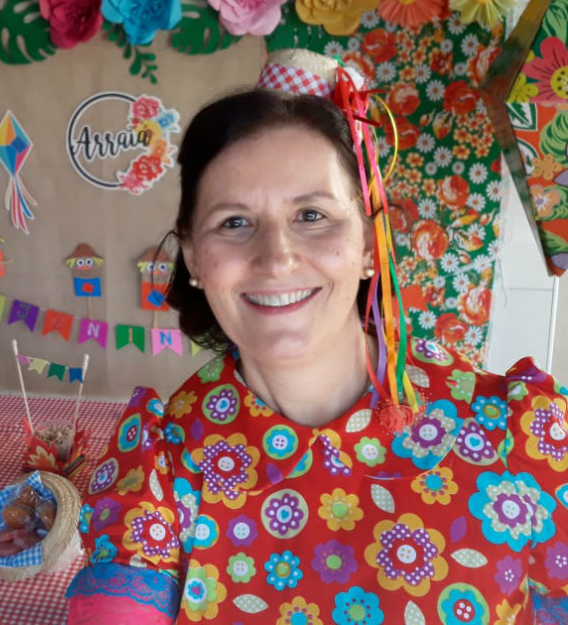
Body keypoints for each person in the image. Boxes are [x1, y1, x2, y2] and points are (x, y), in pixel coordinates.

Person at [66, 50, 568, 623]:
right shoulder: (160, 466)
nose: (276, 259)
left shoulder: (521, 435)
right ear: (193, 259)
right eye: (234, 222)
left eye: (312, 215)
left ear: (368, 243)